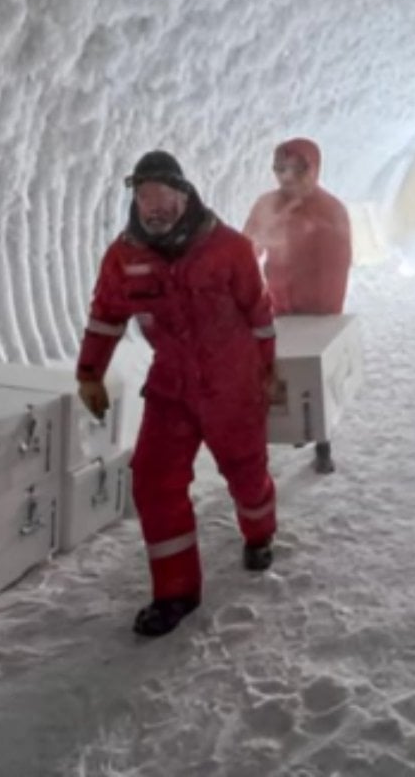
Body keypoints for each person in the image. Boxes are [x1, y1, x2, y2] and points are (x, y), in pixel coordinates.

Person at [76, 150, 279, 638]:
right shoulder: (124, 257)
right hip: (172, 387)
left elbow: (259, 310)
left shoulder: (228, 247)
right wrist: (90, 373)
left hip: (231, 383)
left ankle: (259, 531)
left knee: (245, 471)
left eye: (164, 196)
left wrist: (267, 371)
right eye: (145, 197)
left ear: (185, 196)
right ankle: (176, 592)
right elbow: (106, 315)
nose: (155, 207)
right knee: (152, 480)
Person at [242, 137, 353, 315]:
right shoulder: (268, 204)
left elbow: (334, 278)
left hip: (319, 315)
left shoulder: (331, 211)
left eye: (299, 168)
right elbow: (242, 258)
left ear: (315, 168)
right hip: (279, 313)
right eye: (280, 168)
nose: (287, 176)